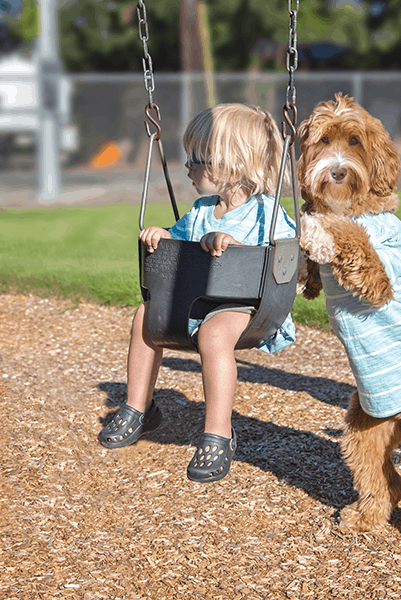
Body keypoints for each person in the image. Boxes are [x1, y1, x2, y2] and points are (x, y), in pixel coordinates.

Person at [98, 103, 297, 483]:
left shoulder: (265, 213)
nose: (188, 167)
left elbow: (284, 252)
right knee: (145, 315)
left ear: (234, 165)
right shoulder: (201, 209)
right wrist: (164, 235)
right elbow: (181, 239)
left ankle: (219, 432)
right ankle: (139, 407)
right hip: (195, 302)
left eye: (198, 159)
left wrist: (232, 243)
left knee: (214, 334)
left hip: (244, 306)